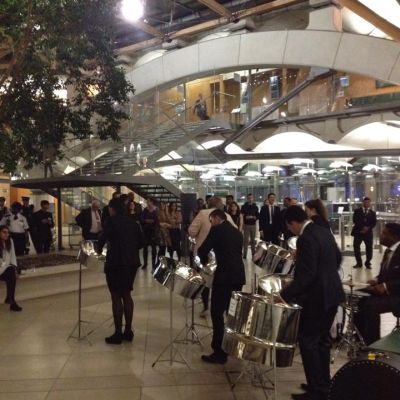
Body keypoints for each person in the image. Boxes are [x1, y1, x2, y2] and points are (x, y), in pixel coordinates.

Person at [280, 206, 344, 400]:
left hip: (317, 298)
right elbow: (337, 258)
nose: (290, 231)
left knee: (308, 341)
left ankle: (317, 391)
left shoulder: (305, 238)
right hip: (332, 293)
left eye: (289, 227)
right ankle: (323, 384)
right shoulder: (323, 231)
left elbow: (307, 276)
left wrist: (284, 294)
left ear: (293, 223)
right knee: (323, 341)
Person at [198, 209, 246, 364]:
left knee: (217, 313)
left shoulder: (217, 229)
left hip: (224, 277)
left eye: (211, 220)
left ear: (218, 218)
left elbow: (202, 250)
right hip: (238, 276)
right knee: (232, 313)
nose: (211, 223)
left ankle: (219, 351)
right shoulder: (237, 232)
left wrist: (204, 262)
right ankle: (233, 346)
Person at [97, 199, 144, 344]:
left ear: (112, 209)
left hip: (115, 263)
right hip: (131, 263)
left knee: (116, 296)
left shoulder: (111, 222)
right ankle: (128, 331)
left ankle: (118, 333)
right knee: (127, 294)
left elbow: (101, 242)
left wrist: (104, 248)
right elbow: (142, 242)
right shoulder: (133, 223)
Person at [188, 196, 236, 317]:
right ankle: (223, 309)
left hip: (204, 254)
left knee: (205, 282)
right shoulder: (226, 216)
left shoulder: (203, 213)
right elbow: (235, 231)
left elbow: (191, 231)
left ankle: (206, 308)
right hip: (222, 256)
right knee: (220, 283)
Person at [354, 223, 400, 345]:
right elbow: (385, 274)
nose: (380, 235)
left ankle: (372, 344)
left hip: (396, 295)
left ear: (394, 237)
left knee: (371, 305)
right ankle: (360, 338)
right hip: (388, 293)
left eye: (384, 234)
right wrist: (376, 279)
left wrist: (386, 286)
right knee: (358, 296)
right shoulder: (389, 251)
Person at [0, 225, 22, 312]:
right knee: (11, 273)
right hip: (2, 267)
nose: (7, 235)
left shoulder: (10, 241)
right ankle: (11, 301)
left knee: (12, 272)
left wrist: (14, 268)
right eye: (4, 232)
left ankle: (11, 300)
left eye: (8, 233)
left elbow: (13, 256)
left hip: (4, 268)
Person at [351, 197, 377, 269]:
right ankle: (359, 263)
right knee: (356, 248)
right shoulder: (357, 211)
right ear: (363, 203)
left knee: (369, 249)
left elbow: (374, 223)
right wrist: (362, 227)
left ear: (370, 203)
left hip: (368, 233)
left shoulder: (373, 213)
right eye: (365, 202)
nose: (367, 204)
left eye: (368, 202)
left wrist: (367, 228)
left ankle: (368, 263)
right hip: (358, 232)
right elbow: (355, 220)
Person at [140, 198, 159, 270]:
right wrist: (148, 221)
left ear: (151, 202)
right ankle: (145, 263)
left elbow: (156, 220)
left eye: (148, 201)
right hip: (146, 231)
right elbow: (141, 219)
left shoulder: (156, 210)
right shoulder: (145, 210)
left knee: (153, 249)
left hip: (153, 232)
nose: (147, 202)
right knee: (145, 248)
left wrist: (148, 221)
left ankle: (153, 264)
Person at [240, 193, 259, 259]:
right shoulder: (244, 206)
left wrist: (255, 217)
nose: (250, 199)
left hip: (253, 225)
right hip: (246, 225)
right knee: (245, 240)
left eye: (251, 198)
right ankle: (245, 254)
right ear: (247, 199)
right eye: (249, 198)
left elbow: (257, 215)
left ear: (253, 198)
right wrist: (245, 219)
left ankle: (253, 253)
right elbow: (241, 215)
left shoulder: (255, 207)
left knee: (253, 240)